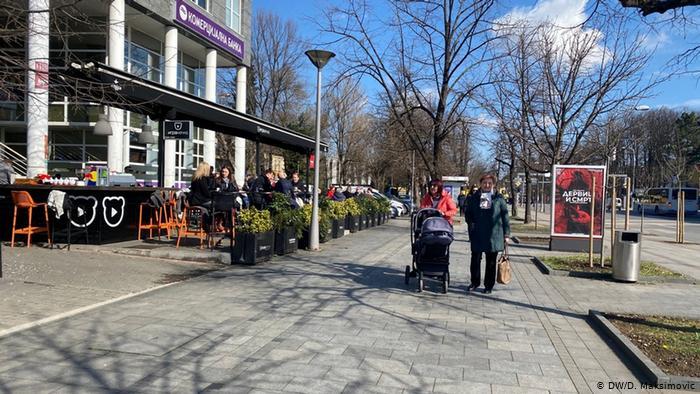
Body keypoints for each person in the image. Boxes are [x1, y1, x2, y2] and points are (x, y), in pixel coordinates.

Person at [464, 174, 510, 294]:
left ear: (493, 185)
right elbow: (468, 214)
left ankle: (488, 286)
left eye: (489, 183)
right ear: (481, 184)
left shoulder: (499, 199)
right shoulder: (474, 198)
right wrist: (472, 223)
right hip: (478, 234)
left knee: (491, 262)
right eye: (484, 183)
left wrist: (507, 235)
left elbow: (505, 217)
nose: (487, 185)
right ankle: (474, 282)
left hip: (493, 235)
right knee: (475, 260)